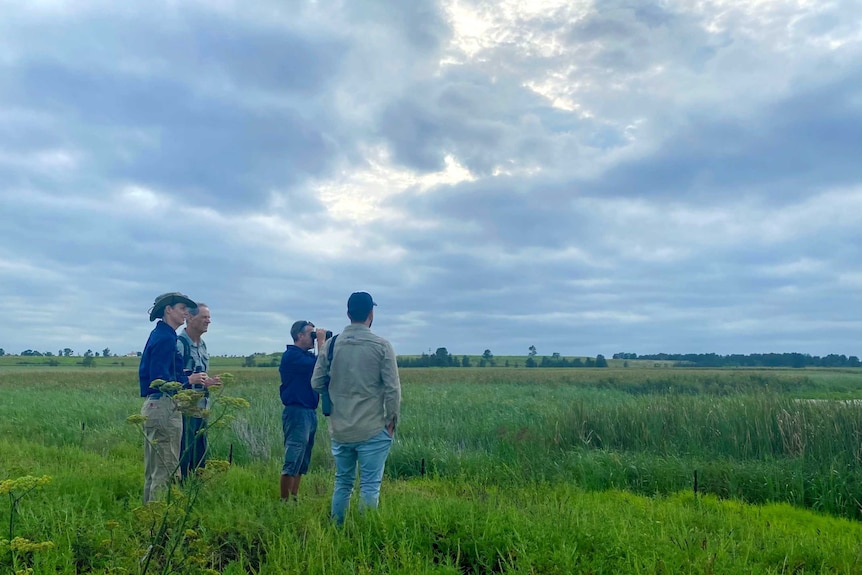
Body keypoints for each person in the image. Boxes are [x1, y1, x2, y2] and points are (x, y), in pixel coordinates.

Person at [311, 291, 401, 524]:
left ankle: (337, 529)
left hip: (340, 429)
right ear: (371, 313)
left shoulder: (331, 345)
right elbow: (393, 389)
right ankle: (364, 534)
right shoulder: (382, 346)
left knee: (343, 482)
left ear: (348, 313)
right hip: (373, 428)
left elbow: (316, 383)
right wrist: (391, 422)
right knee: (370, 486)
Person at [138, 292, 209, 503]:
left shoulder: (160, 335)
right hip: (164, 405)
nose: (186, 313)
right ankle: (157, 525)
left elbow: (165, 373)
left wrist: (190, 377)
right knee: (166, 470)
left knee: (154, 470)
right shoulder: (167, 339)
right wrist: (189, 381)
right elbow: (161, 379)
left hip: (155, 405)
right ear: (168, 310)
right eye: (181, 308)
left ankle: (148, 519)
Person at [278, 320, 326, 501]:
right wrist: (321, 342)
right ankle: (284, 501)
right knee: (293, 457)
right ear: (300, 336)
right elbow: (321, 364)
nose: (313, 338)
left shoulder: (304, 357)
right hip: (297, 411)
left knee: (303, 459)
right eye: (311, 334)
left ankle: (294, 497)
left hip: (308, 411)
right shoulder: (291, 356)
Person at [177, 302, 221, 480]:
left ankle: (196, 486)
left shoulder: (202, 345)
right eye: (204, 317)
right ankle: (181, 487)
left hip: (202, 408)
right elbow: (171, 378)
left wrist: (207, 382)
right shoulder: (179, 345)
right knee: (184, 451)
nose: (208, 321)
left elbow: (199, 376)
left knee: (200, 450)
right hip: (184, 409)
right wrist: (189, 381)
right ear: (190, 317)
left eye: (209, 317)